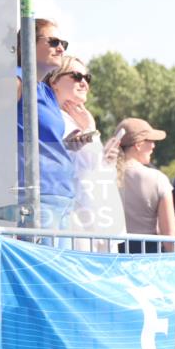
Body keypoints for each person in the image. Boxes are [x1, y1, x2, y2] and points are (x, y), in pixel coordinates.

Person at [42, 55, 125, 250]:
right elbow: (85, 165)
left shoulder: (79, 119)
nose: (84, 83)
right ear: (54, 81)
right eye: (76, 76)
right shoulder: (54, 121)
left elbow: (95, 170)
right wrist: (89, 128)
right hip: (75, 221)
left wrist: (107, 161)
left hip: (97, 219)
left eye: (87, 78)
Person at [15, 18, 76, 238]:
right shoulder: (16, 81)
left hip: (61, 196)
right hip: (35, 196)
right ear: (27, 44)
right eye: (53, 42)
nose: (61, 49)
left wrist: (69, 143)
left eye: (63, 44)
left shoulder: (47, 91)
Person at [116, 118, 175, 252]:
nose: (154, 146)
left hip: (108, 257)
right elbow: (170, 234)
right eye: (150, 141)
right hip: (147, 257)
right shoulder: (157, 179)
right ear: (138, 145)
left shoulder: (102, 177)